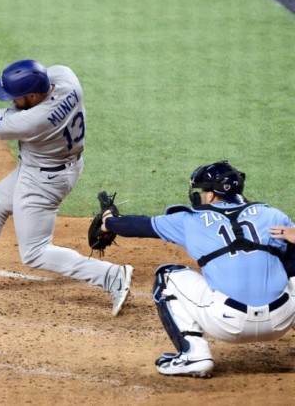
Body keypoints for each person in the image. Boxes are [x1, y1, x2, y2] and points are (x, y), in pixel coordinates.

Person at [0, 59, 134, 317]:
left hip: (42, 182)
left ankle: (110, 276)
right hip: (57, 166)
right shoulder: (66, 78)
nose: (12, 101)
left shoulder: (30, 121)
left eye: (16, 98)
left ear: (32, 96)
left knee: (36, 253)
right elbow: (22, 83)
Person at [99, 160, 295, 378]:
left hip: (227, 324)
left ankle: (194, 355)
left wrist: (108, 221)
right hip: (281, 320)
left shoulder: (189, 220)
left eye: (203, 190)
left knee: (167, 276)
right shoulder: (273, 216)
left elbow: (137, 225)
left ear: (212, 195)